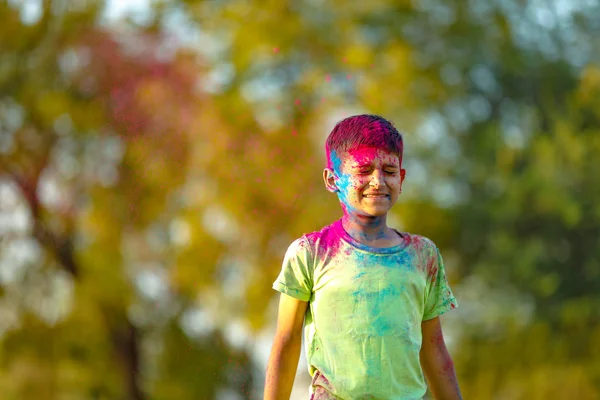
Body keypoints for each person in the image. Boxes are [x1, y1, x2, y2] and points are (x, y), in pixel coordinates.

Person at [264, 114, 462, 400]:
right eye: (364, 169)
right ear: (333, 179)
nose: (378, 181)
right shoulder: (310, 253)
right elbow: (287, 340)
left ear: (401, 178)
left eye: (389, 170)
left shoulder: (422, 256)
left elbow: (434, 349)